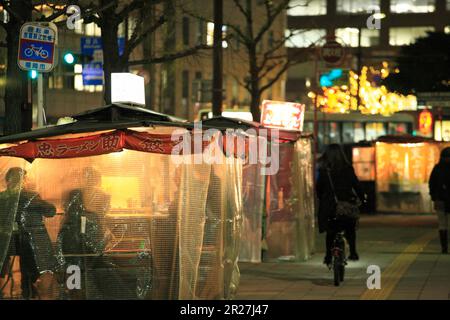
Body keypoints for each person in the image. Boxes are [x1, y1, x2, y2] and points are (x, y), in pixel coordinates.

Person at [0, 167, 58, 299]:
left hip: (7, 242)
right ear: (23, 180)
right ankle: (28, 293)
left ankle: (9, 293)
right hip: (28, 241)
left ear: (7, 181)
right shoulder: (29, 196)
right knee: (31, 269)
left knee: (10, 269)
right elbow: (50, 211)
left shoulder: (1, 198)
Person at [316, 144, 365, 265]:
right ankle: (353, 252)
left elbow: (319, 188)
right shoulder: (348, 168)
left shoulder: (324, 170)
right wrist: (362, 197)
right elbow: (356, 185)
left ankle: (328, 255)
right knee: (350, 228)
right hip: (346, 205)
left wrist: (322, 198)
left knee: (331, 231)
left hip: (329, 207)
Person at [429, 147, 450, 254]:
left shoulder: (437, 168)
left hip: (440, 200)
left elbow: (431, 184)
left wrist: (434, 197)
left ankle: (444, 248)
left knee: (442, 224)